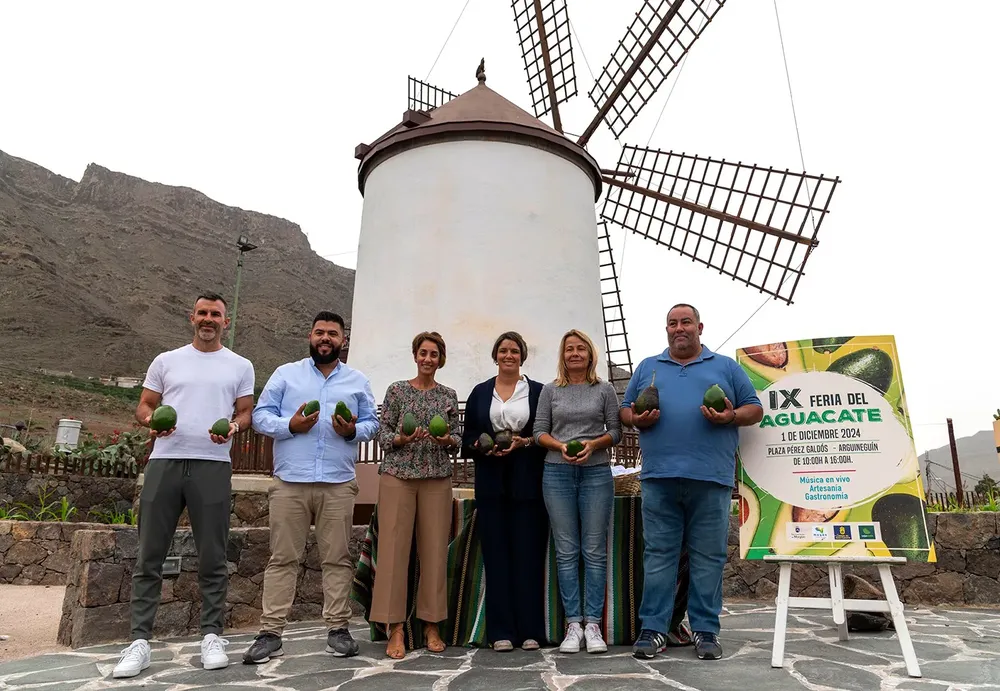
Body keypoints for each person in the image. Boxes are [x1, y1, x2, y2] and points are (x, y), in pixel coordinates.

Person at [114, 293, 255, 679]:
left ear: (226, 321)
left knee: (213, 555)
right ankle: (139, 642)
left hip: (213, 464)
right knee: (149, 555)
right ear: (192, 317)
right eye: (203, 313)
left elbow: (245, 412)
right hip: (164, 461)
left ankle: (212, 635)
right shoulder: (166, 360)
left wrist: (233, 426)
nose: (209, 319)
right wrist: (150, 422)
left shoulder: (240, 366)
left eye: (217, 315)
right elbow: (144, 406)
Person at [621, 304, 763, 661]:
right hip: (659, 477)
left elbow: (754, 408)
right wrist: (637, 417)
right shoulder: (648, 367)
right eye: (672, 323)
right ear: (666, 329)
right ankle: (653, 629)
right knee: (658, 556)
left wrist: (730, 416)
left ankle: (705, 630)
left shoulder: (725, 366)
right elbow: (625, 410)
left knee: (708, 558)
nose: (679, 328)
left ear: (700, 327)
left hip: (710, 477)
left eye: (686, 322)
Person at [242, 311, 379, 664]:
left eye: (333, 334)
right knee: (282, 558)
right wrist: (291, 425)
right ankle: (270, 633)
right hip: (290, 482)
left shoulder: (357, 380)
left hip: (338, 482)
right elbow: (260, 416)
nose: (326, 338)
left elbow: (372, 424)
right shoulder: (286, 374)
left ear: (342, 340)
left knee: (337, 559)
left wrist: (352, 431)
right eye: (320, 332)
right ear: (310, 336)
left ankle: (338, 629)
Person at [370, 331, 462, 659]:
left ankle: (432, 623)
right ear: (415, 355)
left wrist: (446, 442)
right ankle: (393, 626)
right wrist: (400, 439)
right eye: (423, 353)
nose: (427, 359)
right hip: (398, 476)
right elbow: (383, 432)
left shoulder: (448, 395)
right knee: (394, 552)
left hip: (436, 478)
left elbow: (458, 438)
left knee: (435, 552)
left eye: (434, 354)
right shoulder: (396, 390)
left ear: (441, 360)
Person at [534, 329, 622, 654]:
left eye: (580, 348)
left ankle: (593, 624)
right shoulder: (549, 390)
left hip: (596, 472)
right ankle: (573, 623)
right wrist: (561, 447)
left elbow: (616, 431)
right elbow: (539, 431)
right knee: (567, 550)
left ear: (589, 354)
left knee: (594, 550)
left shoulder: (605, 389)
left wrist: (593, 444)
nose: (574, 353)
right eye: (569, 348)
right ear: (563, 354)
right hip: (556, 471)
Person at [460, 331, 548, 652]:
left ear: (522, 356)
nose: (508, 355)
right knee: (496, 558)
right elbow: (468, 437)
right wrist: (482, 448)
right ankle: (500, 630)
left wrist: (523, 443)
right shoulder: (480, 393)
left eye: (514, 351)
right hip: (491, 483)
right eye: (503, 350)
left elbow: (544, 433)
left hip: (529, 484)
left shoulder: (538, 392)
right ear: (495, 355)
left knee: (527, 557)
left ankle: (530, 631)